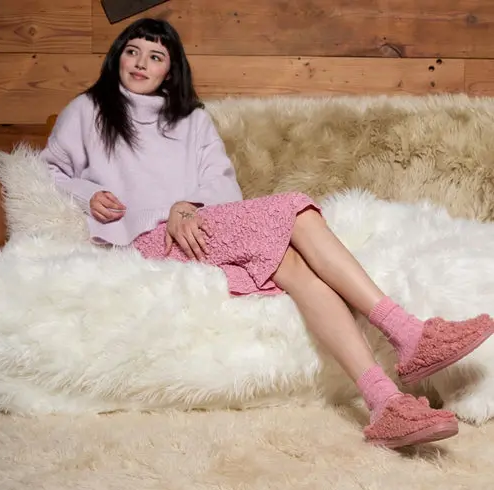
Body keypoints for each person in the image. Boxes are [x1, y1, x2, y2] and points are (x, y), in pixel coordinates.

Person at [40, 17, 494, 449]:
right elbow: (48, 170)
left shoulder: (191, 119)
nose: (141, 63)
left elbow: (221, 183)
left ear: (170, 70)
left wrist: (188, 205)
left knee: (296, 268)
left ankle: (384, 403)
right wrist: (89, 193)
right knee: (297, 209)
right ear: (117, 57)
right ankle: (407, 332)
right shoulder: (88, 110)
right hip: (145, 240)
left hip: (200, 227)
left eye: (155, 56)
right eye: (132, 52)